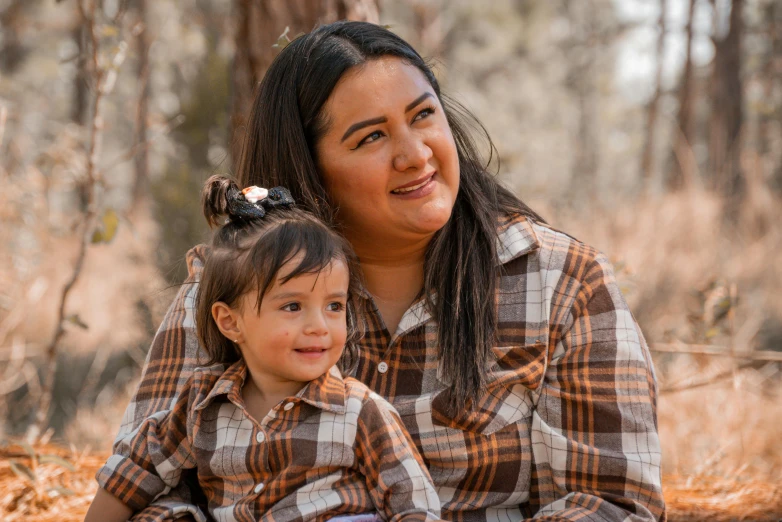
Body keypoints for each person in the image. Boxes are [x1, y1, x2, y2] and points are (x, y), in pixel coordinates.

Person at [107, 21, 666, 522]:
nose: (415, 154)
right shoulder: (232, 285)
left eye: (423, 116)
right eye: (371, 137)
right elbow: (152, 487)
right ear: (309, 170)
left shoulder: (561, 280)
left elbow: (612, 501)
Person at [85, 177, 443, 522]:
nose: (320, 325)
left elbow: (416, 506)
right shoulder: (202, 406)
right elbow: (135, 470)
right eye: (292, 306)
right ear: (230, 322)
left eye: (334, 306)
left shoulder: (360, 412)